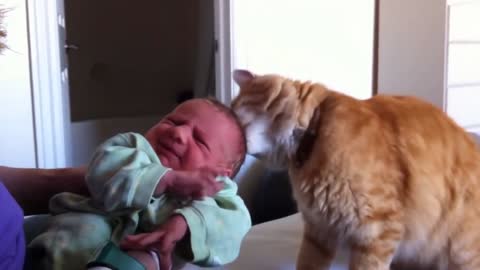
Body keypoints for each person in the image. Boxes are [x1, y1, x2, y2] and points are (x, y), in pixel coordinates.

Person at [24, 98, 251, 270]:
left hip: (136, 259)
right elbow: (104, 172)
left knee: (146, 257)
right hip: (63, 251)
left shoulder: (217, 194)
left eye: (199, 140)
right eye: (173, 121)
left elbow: (233, 225)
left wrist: (184, 222)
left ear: (222, 174)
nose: (178, 133)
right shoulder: (132, 147)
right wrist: (169, 179)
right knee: (88, 230)